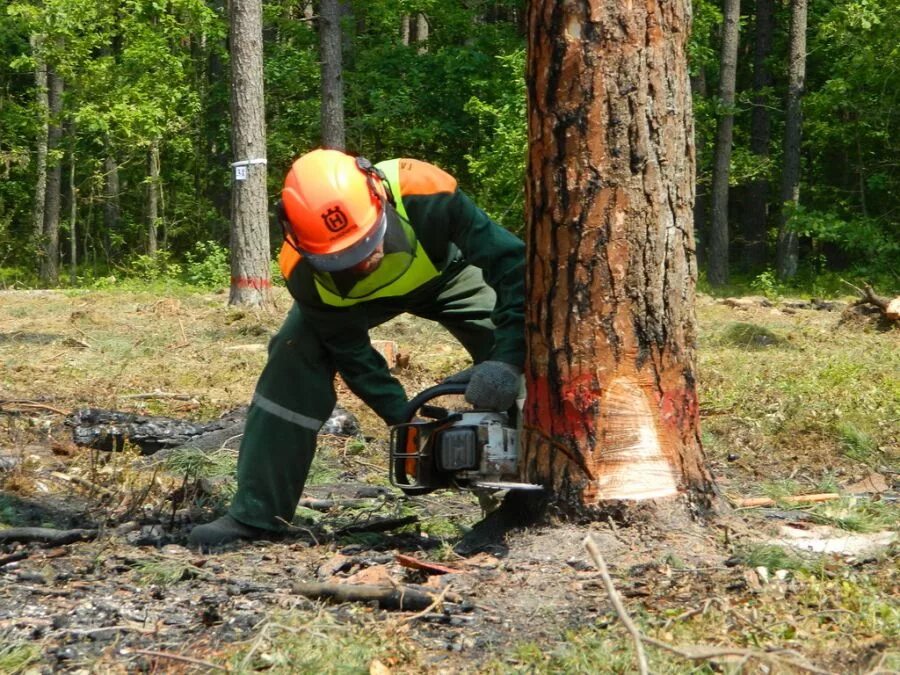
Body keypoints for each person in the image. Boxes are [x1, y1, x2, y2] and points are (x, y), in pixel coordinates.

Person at [189, 148, 525, 547]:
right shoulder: (301, 271)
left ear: (377, 194)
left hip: (449, 275)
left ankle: (534, 496)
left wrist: (507, 359)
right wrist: (404, 419)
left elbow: (512, 265)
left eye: (367, 243)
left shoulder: (422, 189)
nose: (363, 260)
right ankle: (257, 513)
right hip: (355, 303)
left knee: (530, 346)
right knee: (293, 352)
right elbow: (352, 352)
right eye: (342, 257)